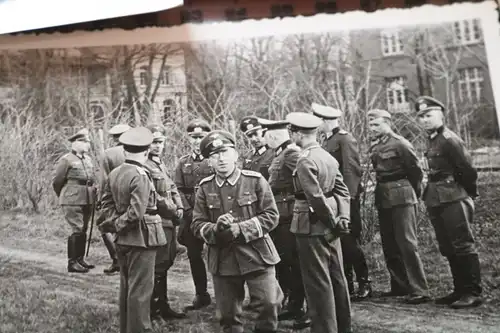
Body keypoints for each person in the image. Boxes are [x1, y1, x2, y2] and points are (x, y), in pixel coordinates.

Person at [191, 130, 283, 333]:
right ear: (209, 162)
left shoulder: (255, 180)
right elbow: (197, 224)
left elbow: (271, 216)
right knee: (228, 317)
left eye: (225, 152)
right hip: (223, 259)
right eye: (214, 156)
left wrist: (240, 229)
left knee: (269, 305)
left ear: (235, 154)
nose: (221, 159)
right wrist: (216, 229)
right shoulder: (204, 188)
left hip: (258, 255)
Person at [286, 112, 352, 333]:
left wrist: (333, 222)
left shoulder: (305, 160)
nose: (291, 135)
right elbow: (343, 192)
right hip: (331, 226)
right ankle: (343, 327)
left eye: (291, 131)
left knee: (317, 283)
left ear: (297, 134)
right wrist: (343, 219)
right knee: (337, 278)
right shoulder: (327, 157)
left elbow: (315, 197)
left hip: (312, 226)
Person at [415, 96, 483, 309]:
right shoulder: (432, 139)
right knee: (447, 245)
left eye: (429, 115)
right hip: (436, 197)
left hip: (454, 196)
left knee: (462, 243)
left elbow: (467, 170)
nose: (425, 120)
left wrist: (468, 194)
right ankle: (459, 289)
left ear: (441, 115)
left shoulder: (449, 139)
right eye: (422, 116)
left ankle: (472, 291)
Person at [97, 126, 167, 333]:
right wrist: (120, 224)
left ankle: (127, 328)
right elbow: (137, 212)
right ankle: (140, 329)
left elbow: (106, 203)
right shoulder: (141, 175)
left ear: (124, 151)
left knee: (127, 287)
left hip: (123, 240)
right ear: (146, 152)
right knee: (141, 290)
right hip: (142, 239)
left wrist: (114, 224)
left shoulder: (116, 173)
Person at [367, 109, 430, 304]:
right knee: (389, 243)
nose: (372, 128)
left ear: (388, 123)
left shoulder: (401, 144)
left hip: (402, 194)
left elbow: (416, 171)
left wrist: (413, 194)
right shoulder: (377, 145)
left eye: (376, 124)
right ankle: (400, 285)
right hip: (384, 196)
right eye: (370, 125)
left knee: (407, 243)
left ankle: (420, 289)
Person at [312, 103, 372, 300]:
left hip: (345, 200)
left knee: (349, 241)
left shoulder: (344, 139)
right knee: (339, 241)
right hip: (333, 200)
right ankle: (348, 284)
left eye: (318, 120)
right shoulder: (328, 140)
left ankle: (364, 282)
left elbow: (351, 170)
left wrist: (347, 200)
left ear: (326, 120)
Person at [261, 119, 309, 329]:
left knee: (296, 262)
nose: (265, 139)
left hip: (289, 212)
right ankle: (295, 304)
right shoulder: (280, 153)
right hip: (281, 213)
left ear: (273, 136)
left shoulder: (291, 153)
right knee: (287, 261)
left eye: (266, 135)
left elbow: (306, 178)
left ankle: (307, 310)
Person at [144, 124, 187, 320]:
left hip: (170, 222)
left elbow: (172, 189)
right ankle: (154, 309)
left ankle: (163, 305)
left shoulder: (160, 164)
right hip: (158, 221)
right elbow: (153, 196)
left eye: (160, 142)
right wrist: (172, 210)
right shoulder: (145, 165)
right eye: (154, 142)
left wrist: (180, 208)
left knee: (166, 262)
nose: (157, 146)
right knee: (158, 265)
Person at [175, 119, 214, 310]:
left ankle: (227, 295)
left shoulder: (215, 159)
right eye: (193, 137)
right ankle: (201, 294)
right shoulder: (183, 162)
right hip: (191, 214)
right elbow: (178, 189)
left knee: (221, 252)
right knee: (194, 255)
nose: (197, 141)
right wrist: (188, 210)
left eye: (201, 137)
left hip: (213, 213)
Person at [52, 128, 97, 273]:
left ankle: (79, 259)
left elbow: (91, 178)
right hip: (72, 199)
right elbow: (57, 181)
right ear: (75, 143)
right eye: (84, 142)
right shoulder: (66, 159)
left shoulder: (88, 160)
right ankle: (72, 263)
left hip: (87, 198)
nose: (87, 145)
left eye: (88, 142)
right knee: (77, 229)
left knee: (83, 229)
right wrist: (65, 196)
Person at [99, 123, 131, 274]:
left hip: (115, 196)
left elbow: (104, 180)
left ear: (115, 138)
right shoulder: (139, 150)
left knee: (104, 225)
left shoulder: (108, 153)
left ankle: (117, 259)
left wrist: (100, 200)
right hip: (136, 194)